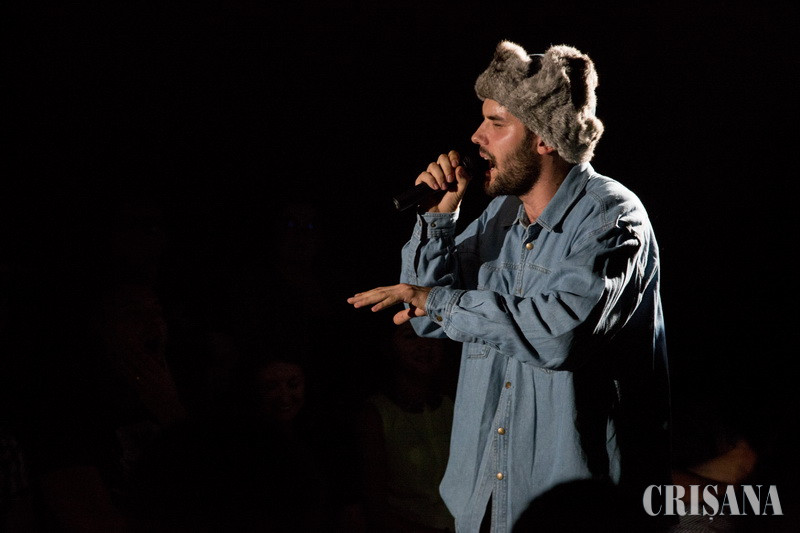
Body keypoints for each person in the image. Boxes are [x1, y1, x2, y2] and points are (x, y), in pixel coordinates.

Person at [348, 41, 672, 532]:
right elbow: (427, 318)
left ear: (544, 138)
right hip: (484, 500)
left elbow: (558, 335)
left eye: (496, 123)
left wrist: (435, 300)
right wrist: (438, 220)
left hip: (574, 511)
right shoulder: (501, 216)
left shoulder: (611, 217)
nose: (476, 137)